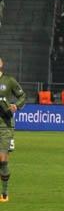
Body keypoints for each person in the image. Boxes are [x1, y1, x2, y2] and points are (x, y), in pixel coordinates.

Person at [0, 57, 27, 202]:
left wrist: (16, 105)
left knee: (2, 159)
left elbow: (22, 96)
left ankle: (4, 192)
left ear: (1, 64)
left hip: (5, 125)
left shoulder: (8, 81)